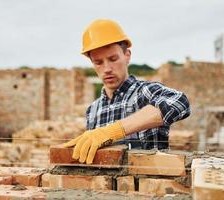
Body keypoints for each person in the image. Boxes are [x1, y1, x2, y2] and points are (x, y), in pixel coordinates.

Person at [64, 19, 191, 164]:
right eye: (98, 62)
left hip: (148, 185)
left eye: (113, 59)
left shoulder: (143, 93)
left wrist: (113, 131)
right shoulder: (92, 110)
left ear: (127, 56)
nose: (107, 69)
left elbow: (180, 102)